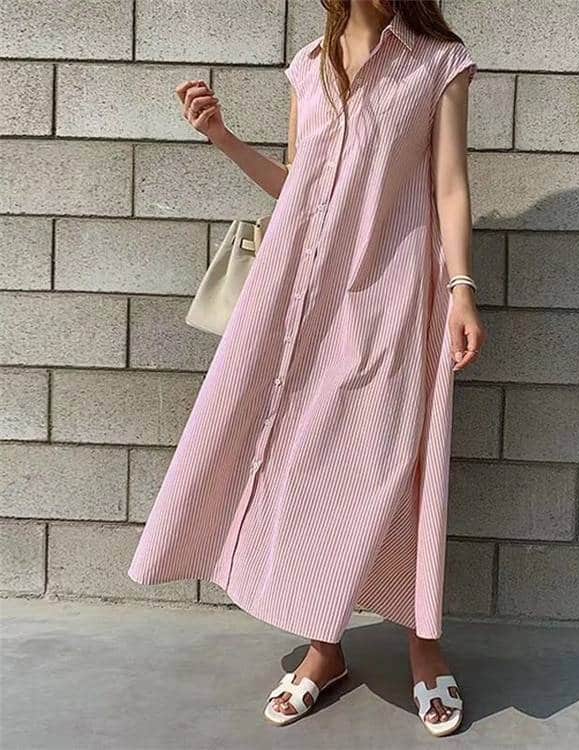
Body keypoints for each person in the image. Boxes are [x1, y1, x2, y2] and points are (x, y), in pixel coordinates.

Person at [128, 0, 485, 737]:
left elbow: (450, 185)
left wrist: (461, 288)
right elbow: (300, 185)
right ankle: (326, 647)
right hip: (302, 303)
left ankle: (423, 646)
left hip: (390, 297)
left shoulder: (437, 63)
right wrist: (222, 136)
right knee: (308, 466)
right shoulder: (309, 68)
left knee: (392, 467)